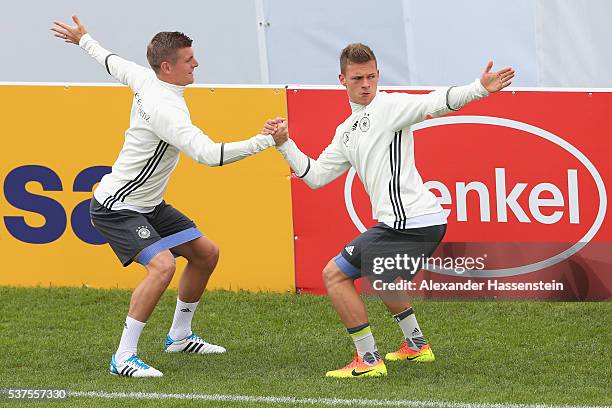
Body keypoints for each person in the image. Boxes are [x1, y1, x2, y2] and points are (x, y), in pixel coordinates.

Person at [51, 15, 287, 378]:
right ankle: (123, 357)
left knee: (206, 254)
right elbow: (210, 156)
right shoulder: (166, 108)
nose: (196, 63)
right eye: (189, 59)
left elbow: (111, 61)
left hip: (148, 205)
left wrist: (84, 39)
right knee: (163, 267)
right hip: (117, 208)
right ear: (167, 66)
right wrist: (265, 141)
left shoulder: (145, 77)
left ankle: (179, 336)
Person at [265, 43, 514, 378]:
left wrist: (479, 89)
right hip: (415, 222)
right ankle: (416, 346)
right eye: (357, 78)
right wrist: (284, 143)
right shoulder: (347, 131)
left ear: (378, 75)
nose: (366, 83)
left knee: (334, 275)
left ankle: (368, 361)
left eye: (371, 76)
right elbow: (317, 176)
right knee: (381, 275)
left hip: (411, 222)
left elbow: (435, 102)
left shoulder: (391, 106)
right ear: (343, 79)